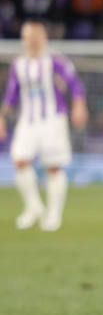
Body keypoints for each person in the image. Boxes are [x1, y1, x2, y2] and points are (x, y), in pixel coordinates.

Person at [1, 19, 88, 232]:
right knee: (20, 160)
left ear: (44, 38)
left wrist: (79, 106)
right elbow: (11, 95)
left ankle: (54, 214)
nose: (32, 41)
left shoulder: (56, 61)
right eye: (28, 37)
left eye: (36, 37)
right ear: (23, 40)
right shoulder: (18, 65)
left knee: (53, 166)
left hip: (52, 120)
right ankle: (33, 207)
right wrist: (2, 117)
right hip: (28, 121)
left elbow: (75, 84)